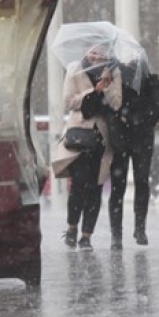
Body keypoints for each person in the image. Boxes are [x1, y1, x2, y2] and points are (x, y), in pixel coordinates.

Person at [54, 46, 123, 251]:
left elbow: (116, 103)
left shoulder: (113, 71)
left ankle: (86, 236)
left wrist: (108, 85)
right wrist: (95, 90)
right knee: (79, 184)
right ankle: (72, 226)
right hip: (79, 136)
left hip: (102, 138)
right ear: (85, 52)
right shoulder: (75, 68)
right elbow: (68, 102)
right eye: (93, 52)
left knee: (96, 187)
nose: (96, 57)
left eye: (101, 53)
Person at [108, 71, 159, 249]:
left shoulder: (152, 82)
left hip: (143, 140)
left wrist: (129, 117)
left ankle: (140, 228)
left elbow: (156, 111)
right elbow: (111, 109)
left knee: (142, 182)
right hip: (120, 140)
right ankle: (116, 234)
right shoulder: (116, 79)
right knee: (118, 186)